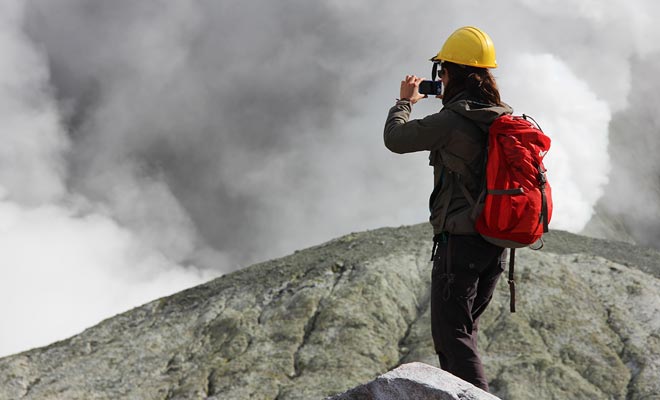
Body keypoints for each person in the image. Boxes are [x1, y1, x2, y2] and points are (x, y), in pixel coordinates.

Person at [383, 26, 512, 392]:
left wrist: (404, 101)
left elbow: (395, 139)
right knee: (465, 331)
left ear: (450, 73)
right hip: (494, 242)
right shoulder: (501, 117)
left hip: (460, 243)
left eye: (442, 71)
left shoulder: (452, 121)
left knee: (452, 337)